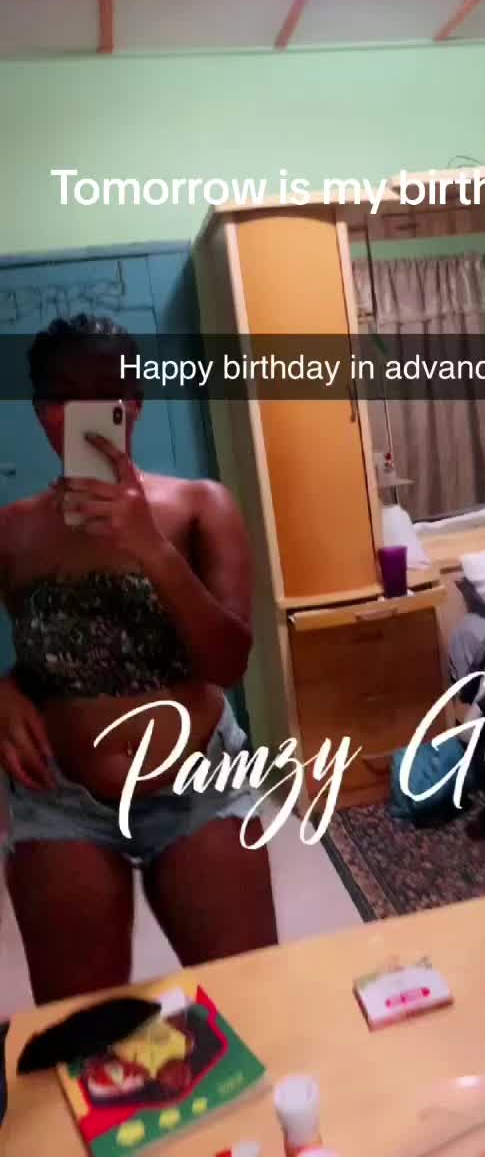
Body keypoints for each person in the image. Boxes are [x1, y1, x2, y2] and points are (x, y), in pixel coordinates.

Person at [0, 315, 277, 1004]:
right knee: (81, 1028)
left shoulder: (201, 507)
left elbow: (228, 663)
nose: (89, 417)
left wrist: (149, 546)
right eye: (65, 398)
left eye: (110, 396)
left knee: (248, 1003)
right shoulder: (12, 531)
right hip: (62, 799)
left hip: (199, 781)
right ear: (39, 411)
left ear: (137, 404)